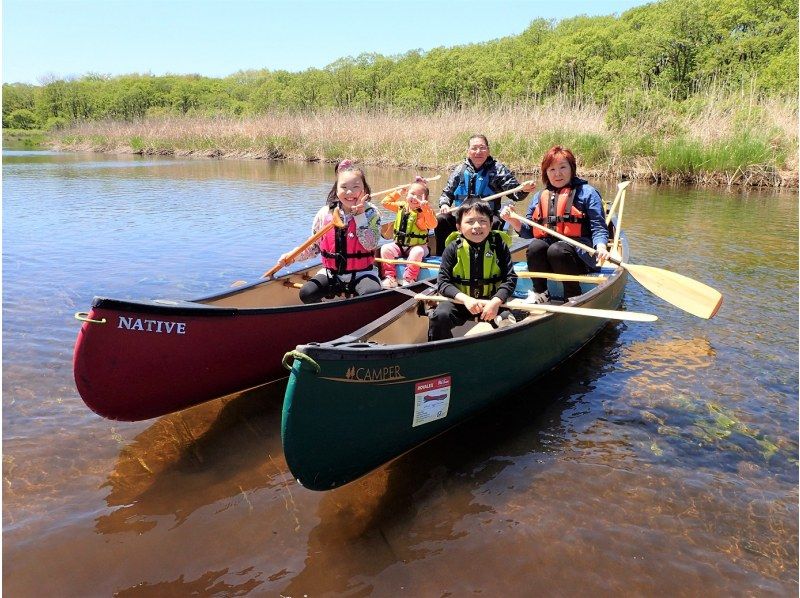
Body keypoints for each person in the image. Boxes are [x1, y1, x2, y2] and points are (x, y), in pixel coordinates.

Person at [501, 145, 610, 304]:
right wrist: (512, 220)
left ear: (572, 169)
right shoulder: (540, 196)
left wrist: (600, 246)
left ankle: (573, 295)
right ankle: (541, 293)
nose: (557, 173)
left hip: (579, 258)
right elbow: (529, 232)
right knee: (535, 246)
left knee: (557, 249)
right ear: (546, 173)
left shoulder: (587, 193)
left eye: (562, 167)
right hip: (550, 259)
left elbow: (598, 227)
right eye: (551, 169)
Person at [279, 159, 382, 303]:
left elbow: (371, 245)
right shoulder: (325, 213)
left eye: (356, 186)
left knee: (371, 295)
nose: (349, 192)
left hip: (362, 273)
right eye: (344, 187)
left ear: (364, 189)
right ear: (336, 189)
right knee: (306, 293)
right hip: (331, 274)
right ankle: (325, 315)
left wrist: (359, 216)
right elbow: (314, 247)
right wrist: (293, 257)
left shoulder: (371, 212)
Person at [428, 201, 518, 341]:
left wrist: (496, 301)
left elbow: (510, 278)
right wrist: (466, 300)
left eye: (482, 221)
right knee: (440, 316)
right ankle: (442, 352)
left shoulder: (499, 245)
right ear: (458, 227)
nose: (477, 226)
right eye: (470, 222)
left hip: (491, 301)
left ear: (490, 224)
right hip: (461, 302)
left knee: (508, 320)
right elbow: (443, 283)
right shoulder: (452, 248)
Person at [435, 134, 536, 255]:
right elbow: (447, 193)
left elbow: (515, 194)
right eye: (474, 148)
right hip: (462, 218)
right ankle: (442, 256)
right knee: (441, 219)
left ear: (488, 151)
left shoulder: (498, 170)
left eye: (482, 148)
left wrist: (523, 189)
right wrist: (444, 204)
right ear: (468, 152)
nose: (478, 152)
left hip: (486, 217)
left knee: (496, 222)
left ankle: (488, 256)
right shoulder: (460, 170)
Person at [379, 176, 438, 288]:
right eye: (412, 193)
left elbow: (432, 224)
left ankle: (409, 278)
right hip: (400, 245)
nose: (414, 198)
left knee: (417, 252)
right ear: (407, 195)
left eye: (419, 196)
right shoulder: (401, 206)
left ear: (425, 198)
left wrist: (425, 209)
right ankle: (390, 277)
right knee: (385, 249)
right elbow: (385, 202)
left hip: (419, 246)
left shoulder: (425, 211)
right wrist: (398, 192)